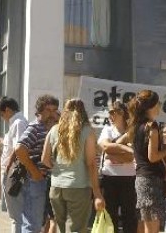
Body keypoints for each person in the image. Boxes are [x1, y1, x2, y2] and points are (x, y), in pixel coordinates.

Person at [42, 99, 105, 233]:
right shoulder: (87, 131)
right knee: (76, 229)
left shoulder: (54, 130)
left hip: (56, 186)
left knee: (61, 228)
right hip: (79, 187)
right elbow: (91, 163)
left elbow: (45, 159)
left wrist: (58, 169)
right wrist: (97, 193)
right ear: (83, 112)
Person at [120, 90, 166, 233]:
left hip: (141, 179)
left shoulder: (135, 126)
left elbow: (118, 142)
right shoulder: (151, 126)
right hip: (151, 180)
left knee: (144, 224)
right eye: (158, 102)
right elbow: (153, 156)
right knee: (152, 227)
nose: (159, 105)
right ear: (151, 105)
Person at [14, 94, 59, 233]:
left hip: (44, 180)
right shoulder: (35, 127)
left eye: (54, 110)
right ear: (40, 111)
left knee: (40, 221)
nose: (52, 114)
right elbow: (19, 149)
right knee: (32, 224)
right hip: (35, 181)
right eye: (48, 110)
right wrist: (35, 172)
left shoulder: (48, 127)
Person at [97, 101, 137, 233]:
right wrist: (123, 148)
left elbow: (131, 157)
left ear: (120, 113)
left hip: (129, 179)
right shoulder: (107, 129)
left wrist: (113, 153)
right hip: (109, 179)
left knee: (129, 217)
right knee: (110, 216)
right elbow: (105, 147)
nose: (109, 115)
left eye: (111, 112)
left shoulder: (131, 131)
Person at [0, 97, 28, 233]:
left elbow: (19, 149)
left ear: (8, 110)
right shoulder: (17, 122)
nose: (2, 118)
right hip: (12, 173)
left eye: (2, 114)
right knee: (16, 216)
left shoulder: (18, 123)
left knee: (16, 216)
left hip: (13, 174)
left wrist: (8, 168)